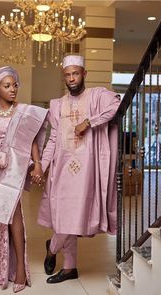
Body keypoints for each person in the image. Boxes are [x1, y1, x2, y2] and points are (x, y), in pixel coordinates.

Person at [37, 55, 121, 283]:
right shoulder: (56, 105)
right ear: (63, 77)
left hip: (86, 172)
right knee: (65, 216)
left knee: (74, 217)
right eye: (67, 75)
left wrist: (89, 122)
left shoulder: (97, 96)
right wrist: (41, 167)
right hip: (62, 170)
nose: (72, 79)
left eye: (76, 73)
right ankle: (70, 267)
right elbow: (53, 139)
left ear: (84, 73)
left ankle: (53, 248)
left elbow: (117, 104)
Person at [0, 66, 48, 292]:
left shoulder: (23, 112)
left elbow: (33, 141)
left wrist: (37, 164)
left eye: (15, 85)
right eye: (7, 86)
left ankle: (19, 272)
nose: (13, 89)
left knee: (14, 214)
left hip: (14, 170)